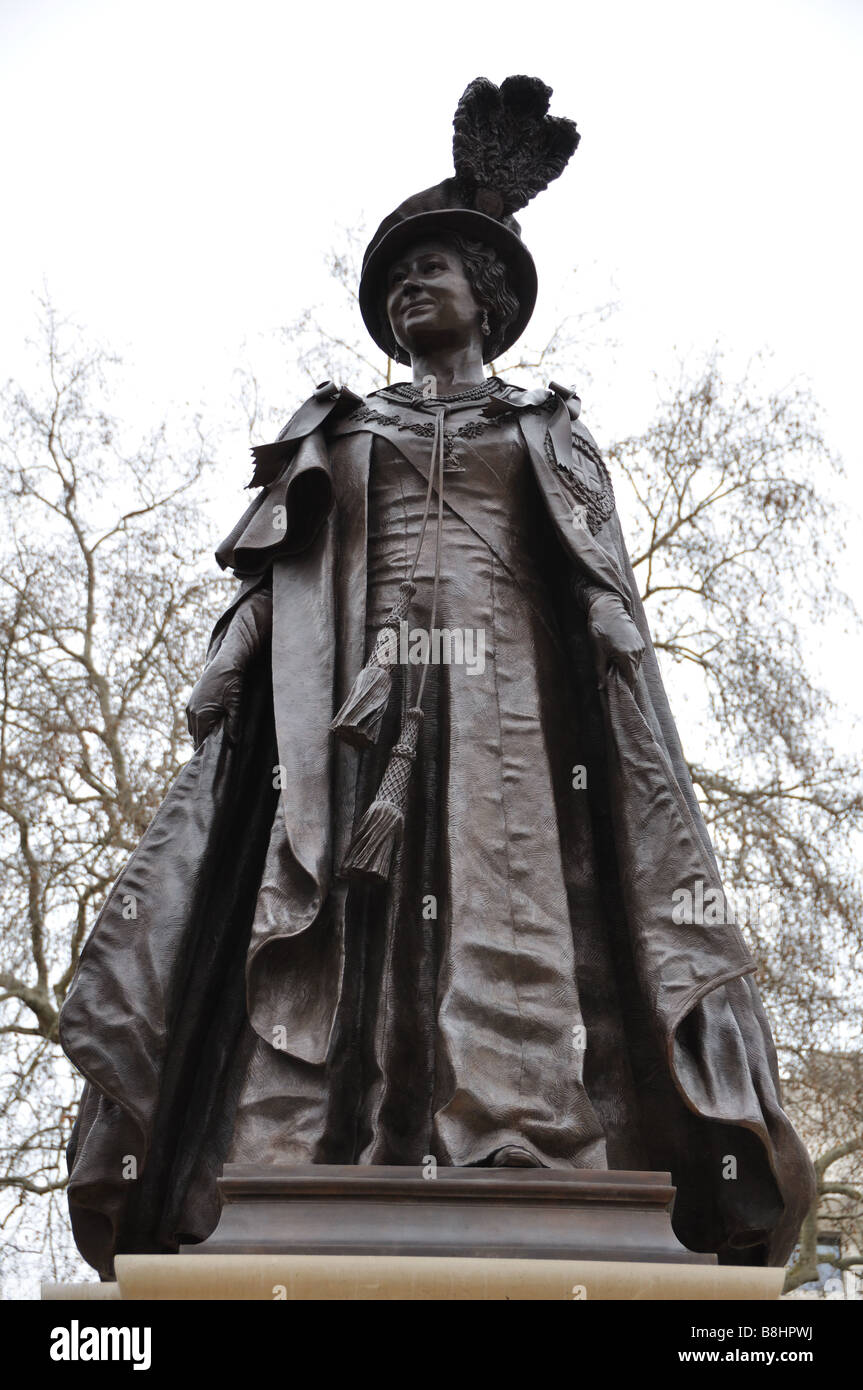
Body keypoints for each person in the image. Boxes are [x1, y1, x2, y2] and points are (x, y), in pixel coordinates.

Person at [60, 76, 815, 1278]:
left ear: (489, 299)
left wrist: (619, 670)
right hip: (350, 703)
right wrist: (231, 660)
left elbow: (594, 579)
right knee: (332, 912)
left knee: (502, 903)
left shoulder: (543, 428)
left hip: (508, 703)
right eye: (397, 278)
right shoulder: (340, 426)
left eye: (435, 273)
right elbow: (274, 571)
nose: (412, 289)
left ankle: (510, 1134)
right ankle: (320, 1138)